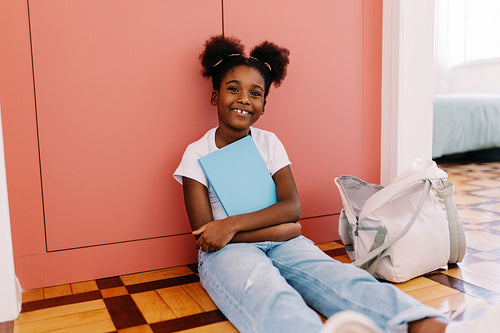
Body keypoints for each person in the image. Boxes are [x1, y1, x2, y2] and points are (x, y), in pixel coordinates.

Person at [174, 35, 499, 333]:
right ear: (215, 95)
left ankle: (425, 324)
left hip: (269, 239)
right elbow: (209, 236)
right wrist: (281, 230)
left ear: (264, 105)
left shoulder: (268, 143)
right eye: (233, 88)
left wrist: (237, 226)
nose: (243, 99)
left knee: (337, 276)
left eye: (255, 93)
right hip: (229, 251)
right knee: (266, 292)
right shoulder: (196, 154)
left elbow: (291, 207)